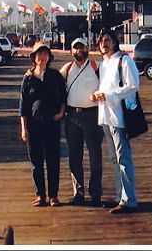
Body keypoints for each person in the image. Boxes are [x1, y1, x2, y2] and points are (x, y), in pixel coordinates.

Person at [92, 28, 140, 214]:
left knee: (124, 158)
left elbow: (133, 85)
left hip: (120, 116)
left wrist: (108, 95)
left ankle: (129, 200)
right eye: (101, 40)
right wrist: (97, 96)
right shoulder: (104, 64)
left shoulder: (124, 60)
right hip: (105, 115)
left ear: (114, 42)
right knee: (114, 159)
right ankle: (120, 197)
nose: (104, 43)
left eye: (108, 40)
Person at [19, 41, 66, 207]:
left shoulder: (55, 76)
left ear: (49, 56)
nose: (42, 56)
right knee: (36, 162)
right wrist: (24, 129)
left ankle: (53, 195)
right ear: (34, 57)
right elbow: (23, 106)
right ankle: (41, 195)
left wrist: (60, 113)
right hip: (34, 126)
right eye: (39, 54)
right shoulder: (28, 78)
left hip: (52, 124)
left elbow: (63, 96)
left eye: (45, 53)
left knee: (53, 161)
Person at [59, 37, 103, 206]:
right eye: (75, 48)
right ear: (72, 51)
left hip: (92, 115)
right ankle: (78, 193)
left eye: (82, 47)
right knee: (74, 157)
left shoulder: (96, 66)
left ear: (87, 49)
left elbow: (111, 82)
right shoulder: (67, 69)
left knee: (95, 156)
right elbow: (52, 81)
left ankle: (95, 194)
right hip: (72, 117)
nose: (79, 51)